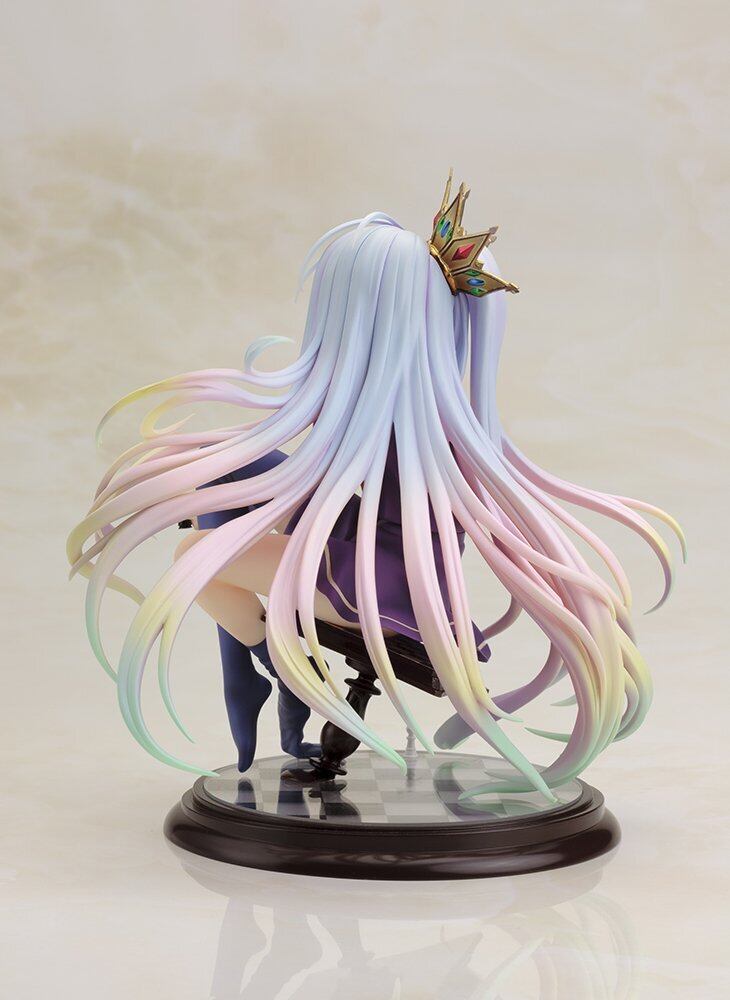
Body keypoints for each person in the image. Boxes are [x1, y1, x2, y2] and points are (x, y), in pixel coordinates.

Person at [69, 174, 684, 797]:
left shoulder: (410, 419)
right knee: (206, 536)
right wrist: (224, 478)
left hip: (385, 582)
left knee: (195, 556)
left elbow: (323, 489)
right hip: (378, 561)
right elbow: (319, 487)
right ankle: (278, 670)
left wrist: (227, 484)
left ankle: (281, 671)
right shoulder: (420, 414)